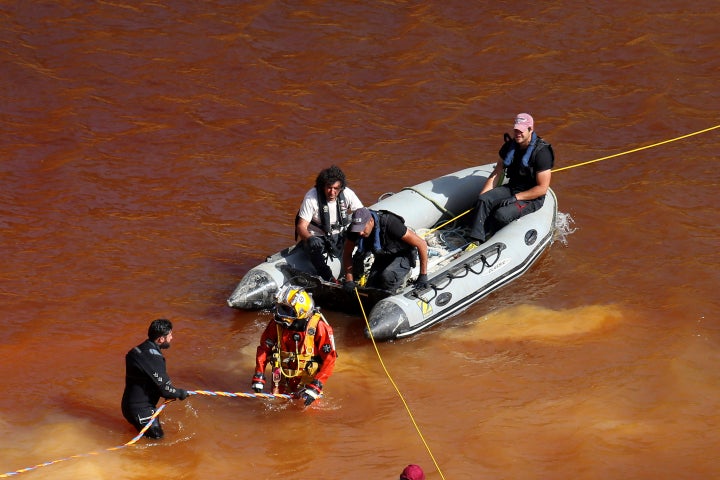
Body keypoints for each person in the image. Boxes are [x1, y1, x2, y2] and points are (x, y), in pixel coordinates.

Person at [469, 113, 554, 243]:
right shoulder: (509, 147)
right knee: (483, 200)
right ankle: (475, 241)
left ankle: (494, 238)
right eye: (515, 130)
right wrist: (482, 197)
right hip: (512, 187)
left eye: (521, 130)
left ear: (530, 129)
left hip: (531, 198)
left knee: (502, 215)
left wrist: (516, 198)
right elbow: (497, 173)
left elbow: (542, 188)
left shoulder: (542, 153)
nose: (517, 133)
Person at [251, 285, 337, 406]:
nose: (281, 314)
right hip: (281, 376)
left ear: (300, 312)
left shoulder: (319, 327)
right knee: (274, 407)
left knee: (308, 414)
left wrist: (316, 385)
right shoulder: (276, 324)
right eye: (280, 308)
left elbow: (330, 359)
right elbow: (264, 349)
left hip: (307, 379)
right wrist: (259, 375)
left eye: (286, 310)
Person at [121, 318, 189, 439]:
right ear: (161, 339)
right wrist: (181, 393)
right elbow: (166, 390)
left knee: (144, 436)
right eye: (170, 335)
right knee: (158, 443)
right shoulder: (154, 358)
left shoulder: (137, 350)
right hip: (142, 411)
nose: (172, 338)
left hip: (128, 407)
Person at [296, 165, 364, 282]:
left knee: (363, 239)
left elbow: (362, 213)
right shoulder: (311, 198)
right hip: (317, 237)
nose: (332, 192)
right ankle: (330, 278)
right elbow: (301, 226)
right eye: (329, 188)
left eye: (336, 188)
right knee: (313, 250)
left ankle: (357, 274)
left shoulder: (347, 194)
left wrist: (359, 231)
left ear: (341, 188)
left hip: (340, 234)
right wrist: (309, 238)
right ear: (322, 186)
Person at [341, 207, 429, 293]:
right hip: (382, 256)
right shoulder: (354, 230)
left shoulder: (391, 223)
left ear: (371, 221)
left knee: (387, 276)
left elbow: (422, 244)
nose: (360, 233)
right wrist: (349, 280)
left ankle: (403, 277)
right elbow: (347, 253)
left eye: (363, 228)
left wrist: (423, 275)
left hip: (403, 254)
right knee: (371, 289)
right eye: (357, 229)